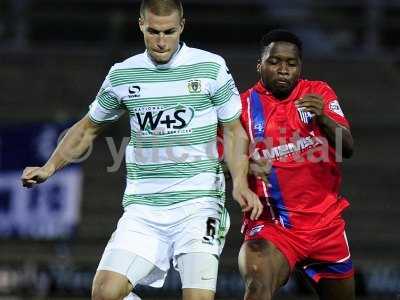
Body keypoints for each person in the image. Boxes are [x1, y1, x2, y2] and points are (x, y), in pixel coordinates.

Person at [21, 1, 263, 300]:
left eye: (169, 32)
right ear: (140, 25)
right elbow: (87, 128)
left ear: (182, 26)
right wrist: (49, 167)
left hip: (199, 205)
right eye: (153, 32)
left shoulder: (210, 67)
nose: (161, 41)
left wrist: (239, 182)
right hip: (143, 209)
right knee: (105, 293)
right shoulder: (123, 75)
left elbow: (234, 130)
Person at [238, 29, 355, 300]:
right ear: (260, 64)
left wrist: (324, 118)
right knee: (257, 287)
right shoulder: (241, 106)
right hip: (274, 227)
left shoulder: (318, 92)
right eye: (274, 61)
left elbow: (347, 147)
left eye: (291, 63)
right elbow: (222, 164)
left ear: (299, 67)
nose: (283, 69)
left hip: (325, 224)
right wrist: (246, 165)